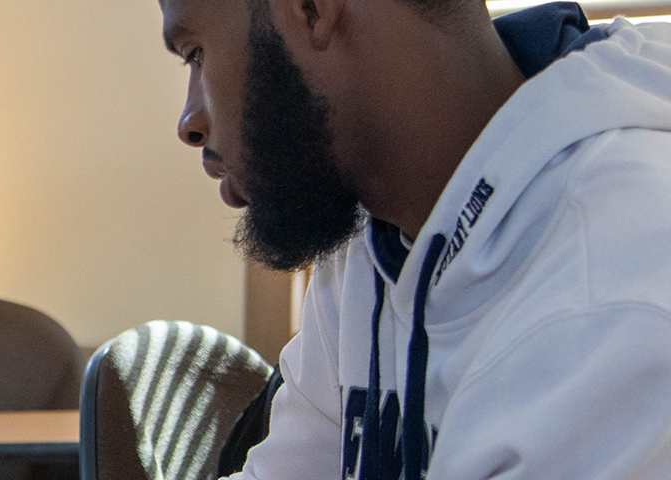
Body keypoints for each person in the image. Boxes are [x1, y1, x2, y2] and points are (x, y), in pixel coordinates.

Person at [157, 0, 671, 476]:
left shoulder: (606, 284)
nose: (189, 123)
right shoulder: (366, 242)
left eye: (197, 53)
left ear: (313, 8)